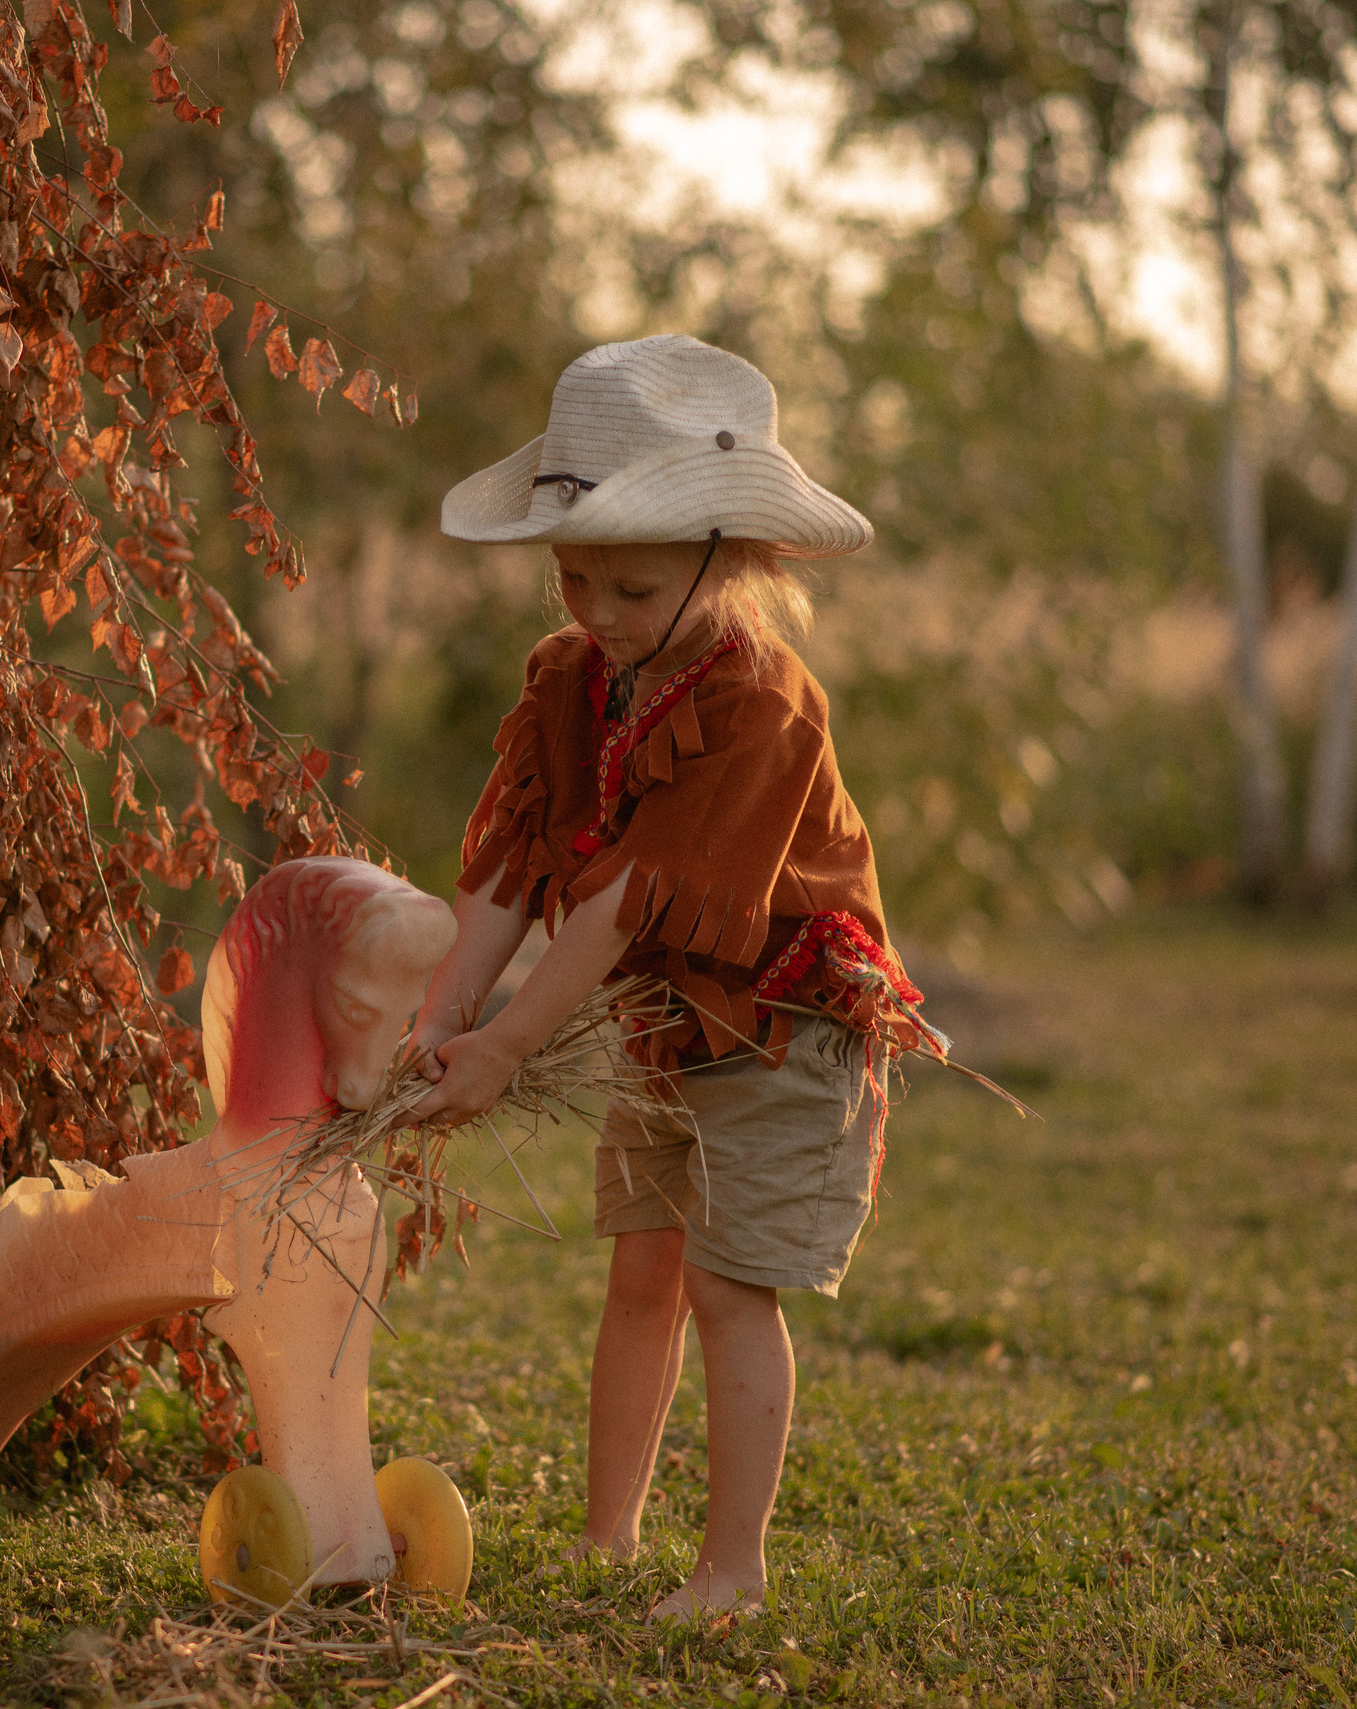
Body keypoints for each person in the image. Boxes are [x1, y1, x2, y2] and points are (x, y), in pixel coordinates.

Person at [406, 335, 935, 1619]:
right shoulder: (566, 681)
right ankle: (609, 1538)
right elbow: (512, 865)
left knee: (721, 1283)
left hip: (782, 1022)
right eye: (571, 576)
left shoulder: (764, 703)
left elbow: (621, 900)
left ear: (728, 557)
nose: (593, 612)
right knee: (639, 1266)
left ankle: (732, 1569)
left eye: (628, 588)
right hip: (662, 1019)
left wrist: (509, 1046)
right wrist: (443, 1013)